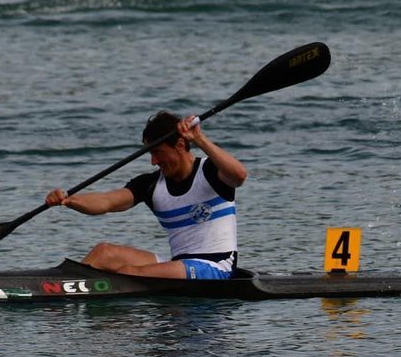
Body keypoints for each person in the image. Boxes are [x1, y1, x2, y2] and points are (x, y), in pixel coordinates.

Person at [44, 111, 248, 279]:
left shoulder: (211, 171)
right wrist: (68, 199)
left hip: (216, 267)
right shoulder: (150, 184)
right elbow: (106, 201)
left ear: (179, 146)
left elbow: (239, 175)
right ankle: (61, 287)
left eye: (158, 152)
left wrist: (199, 139)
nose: (153, 161)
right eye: (151, 153)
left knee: (128, 273)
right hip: (179, 265)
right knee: (104, 253)